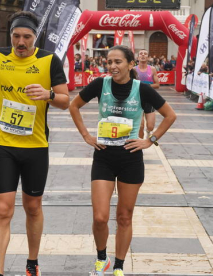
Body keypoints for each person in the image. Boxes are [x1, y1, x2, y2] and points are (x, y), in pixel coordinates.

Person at [0, 11, 69, 276]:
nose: (21, 42)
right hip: (4, 144)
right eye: (16, 36)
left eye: (26, 37)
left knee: (32, 207)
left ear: (35, 38)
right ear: (10, 36)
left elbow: (65, 101)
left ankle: (32, 261)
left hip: (36, 146)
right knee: (3, 210)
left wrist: (48, 94)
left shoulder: (49, 61)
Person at [69, 45, 176, 276]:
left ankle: (118, 266)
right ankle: (101, 259)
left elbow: (170, 115)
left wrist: (151, 140)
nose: (113, 66)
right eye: (109, 62)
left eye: (118, 62)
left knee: (124, 217)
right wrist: (86, 136)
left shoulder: (142, 89)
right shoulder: (100, 84)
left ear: (130, 64)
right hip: (104, 156)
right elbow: (73, 105)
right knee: (100, 217)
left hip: (131, 159)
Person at [135, 49, 160, 139]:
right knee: (140, 126)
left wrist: (146, 87)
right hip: (137, 100)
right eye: (141, 53)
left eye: (145, 54)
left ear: (148, 57)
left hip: (149, 99)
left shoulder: (152, 69)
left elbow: (157, 85)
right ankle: (140, 145)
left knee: (150, 126)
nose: (143, 55)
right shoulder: (134, 70)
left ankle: (148, 132)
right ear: (138, 57)